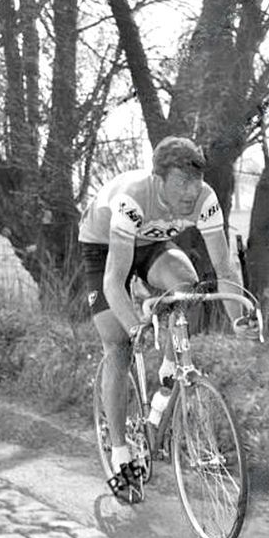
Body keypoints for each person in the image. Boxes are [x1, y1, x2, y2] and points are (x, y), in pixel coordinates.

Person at [79, 136, 255, 503]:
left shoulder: (205, 199)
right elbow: (113, 280)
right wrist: (134, 326)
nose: (190, 193)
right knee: (119, 346)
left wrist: (238, 319)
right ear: (158, 179)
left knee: (186, 285)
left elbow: (224, 267)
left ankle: (168, 370)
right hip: (104, 247)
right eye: (181, 184)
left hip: (152, 244)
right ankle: (120, 450)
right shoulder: (132, 197)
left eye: (195, 183)